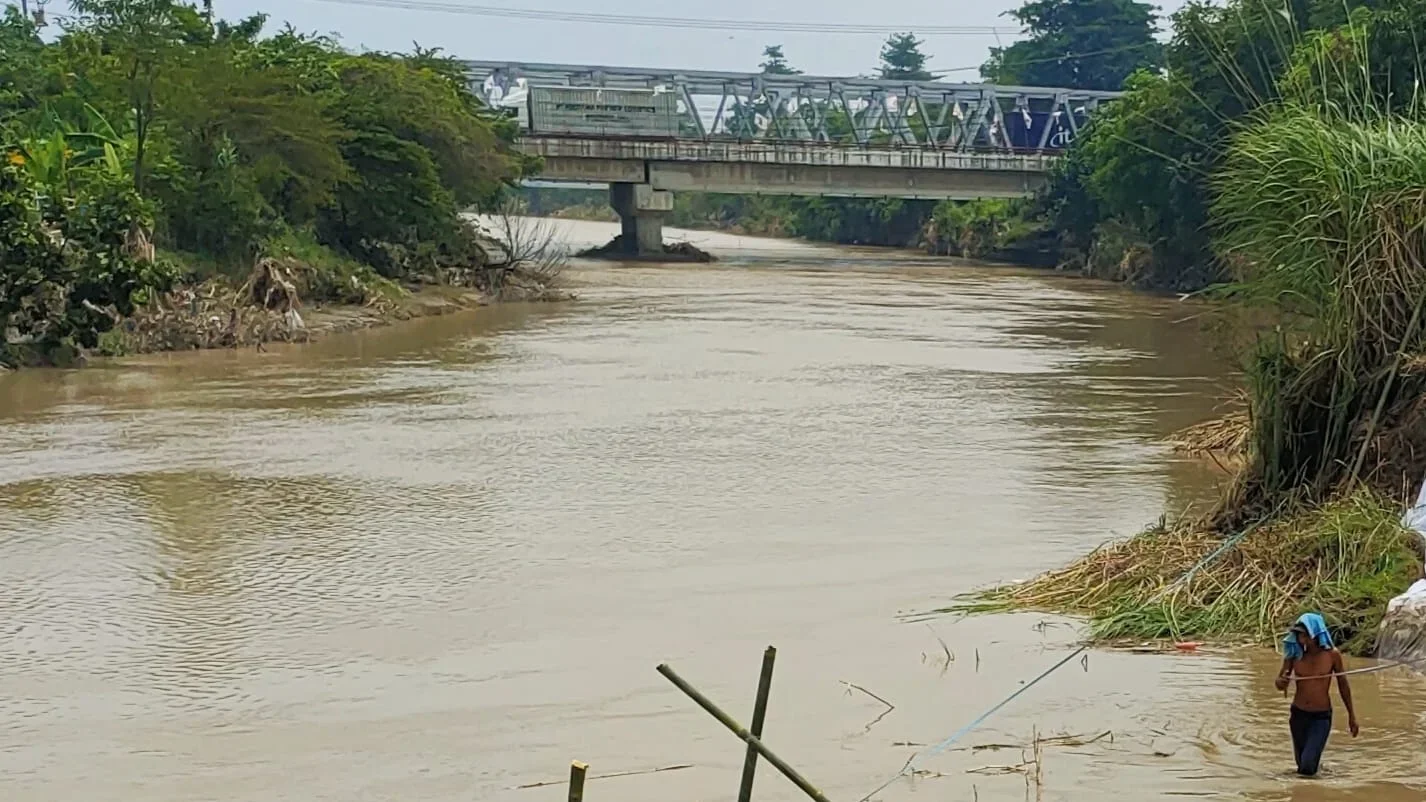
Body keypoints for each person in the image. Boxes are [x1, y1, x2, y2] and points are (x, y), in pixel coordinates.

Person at [1274, 613, 1359, 776]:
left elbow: (1343, 685)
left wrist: (1352, 716)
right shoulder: (1294, 654)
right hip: (1298, 715)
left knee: (1307, 767)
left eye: (1305, 636)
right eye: (1299, 636)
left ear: (1316, 634)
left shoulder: (1332, 655)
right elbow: (1279, 684)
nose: (1302, 640)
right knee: (1303, 768)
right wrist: (1282, 681)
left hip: (1320, 717)